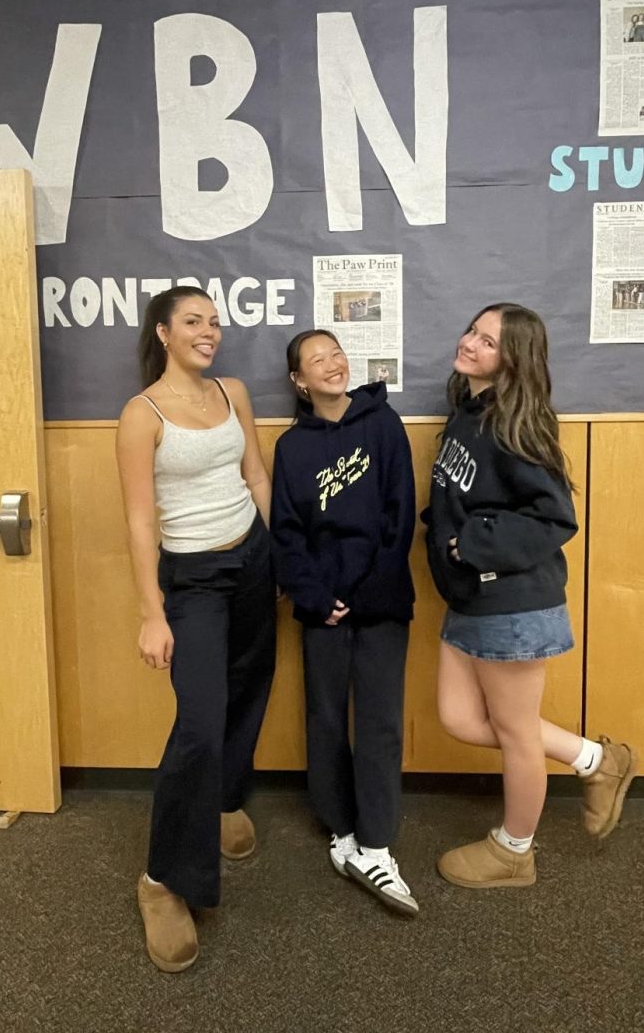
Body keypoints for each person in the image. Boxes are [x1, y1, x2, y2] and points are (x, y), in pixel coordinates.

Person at [423, 303, 637, 889]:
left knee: (516, 733)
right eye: (473, 330)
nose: (470, 343)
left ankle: (514, 850)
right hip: (470, 598)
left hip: (513, 604)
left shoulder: (517, 424)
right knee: (460, 718)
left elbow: (554, 518)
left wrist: (470, 543)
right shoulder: (470, 409)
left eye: (488, 342)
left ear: (513, 360)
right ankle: (596, 760)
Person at [116, 285, 276, 972]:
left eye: (213, 322)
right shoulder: (140, 414)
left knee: (250, 679)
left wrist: (280, 554)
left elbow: (256, 475)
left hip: (252, 556)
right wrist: (152, 611)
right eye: (192, 322)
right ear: (162, 332)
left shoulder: (233, 391)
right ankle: (161, 881)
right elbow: (138, 520)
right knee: (199, 722)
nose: (208, 332)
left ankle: (222, 800)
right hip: (193, 579)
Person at [271, 330, 418, 915]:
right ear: (298, 381)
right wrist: (316, 595)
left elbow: (399, 514)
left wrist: (362, 593)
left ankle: (378, 842)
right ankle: (341, 830)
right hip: (321, 605)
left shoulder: (384, 424)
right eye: (316, 360)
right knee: (326, 716)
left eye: (336, 354)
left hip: (380, 599)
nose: (331, 365)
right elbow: (287, 531)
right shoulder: (291, 449)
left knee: (380, 720)